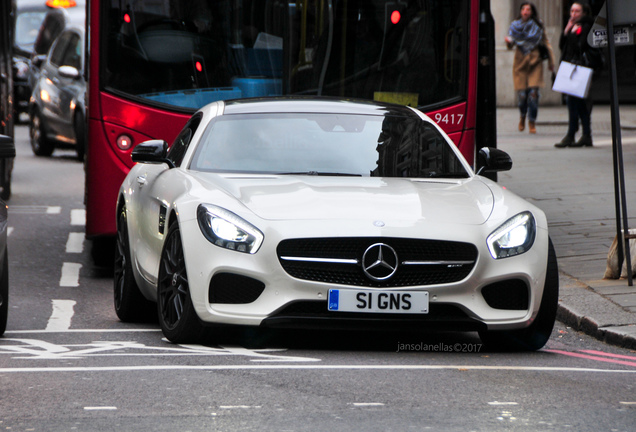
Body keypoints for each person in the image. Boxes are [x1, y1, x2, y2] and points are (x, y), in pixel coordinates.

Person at [505, 2, 555, 134]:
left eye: (528, 9)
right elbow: (510, 45)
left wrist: (551, 61)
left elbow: (546, 42)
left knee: (533, 95)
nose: (526, 11)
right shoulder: (515, 26)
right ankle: (522, 116)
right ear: (520, 11)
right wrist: (508, 43)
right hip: (520, 63)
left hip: (535, 62)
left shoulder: (538, 25)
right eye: (523, 9)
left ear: (532, 12)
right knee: (522, 97)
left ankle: (532, 121)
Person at [555, 1, 595, 148]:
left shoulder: (586, 26)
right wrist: (566, 32)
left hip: (581, 70)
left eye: (577, 11)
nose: (573, 14)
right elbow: (562, 47)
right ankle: (576, 134)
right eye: (572, 11)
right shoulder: (572, 26)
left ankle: (581, 134)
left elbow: (580, 47)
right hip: (571, 68)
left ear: (584, 13)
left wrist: (572, 34)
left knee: (581, 104)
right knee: (573, 103)